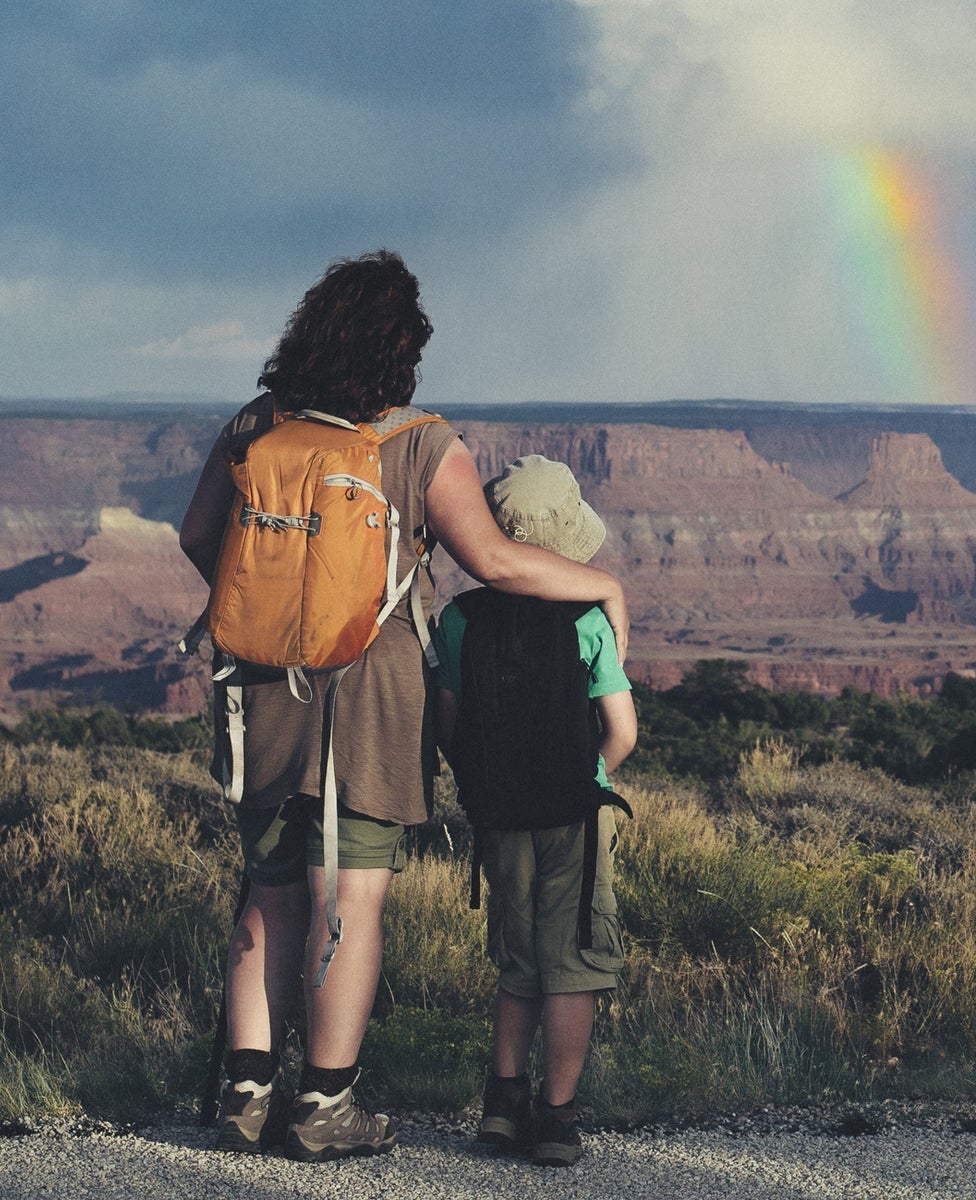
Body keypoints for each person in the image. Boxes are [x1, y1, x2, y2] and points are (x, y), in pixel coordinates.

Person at [178, 251, 629, 1162]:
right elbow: (494, 562)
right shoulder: (422, 442)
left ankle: (246, 1096)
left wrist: (270, 616)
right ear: (401, 354)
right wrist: (601, 584)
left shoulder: (256, 424)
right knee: (351, 893)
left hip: (265, 691)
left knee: (267, 895)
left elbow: (198, 537)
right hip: (374, 697)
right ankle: (325, 1104)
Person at [431, 454, 637, 1168]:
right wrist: (593, 774)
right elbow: (623, 729)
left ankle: (500, 1105)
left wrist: (482, 784)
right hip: (574, 813)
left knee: (516, 962)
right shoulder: (586, 619)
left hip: (500, 814)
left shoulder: (456, 620)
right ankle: (555, 1117)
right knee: (572, 963)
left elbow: (448, 722)